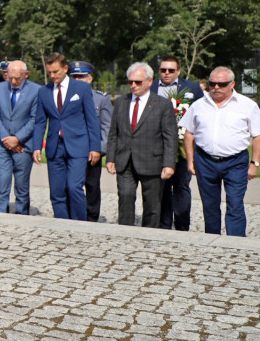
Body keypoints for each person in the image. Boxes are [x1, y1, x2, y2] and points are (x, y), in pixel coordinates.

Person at [180, 66, 260, 237]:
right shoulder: (199, 105)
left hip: (236, 162)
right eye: (212, 83)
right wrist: (190, 160)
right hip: (205, 160)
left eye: (222, 84)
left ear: (232, 84)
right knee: (209, 205)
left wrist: (254, 163)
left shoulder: (248, 106)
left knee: (235, 204)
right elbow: (189, 133)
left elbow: (257, 137)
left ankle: (235, 243)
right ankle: (212, 240)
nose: (216, 87)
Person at [107, 62, 177, 228]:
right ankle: (125, 232)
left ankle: (149, 234)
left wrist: (169, 164)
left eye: (137, 82)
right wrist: (110, 158)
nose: (133, 85)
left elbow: (170, 137)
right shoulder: (121, 102)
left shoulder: (162, 105)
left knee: (152, 203)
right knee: (125, 197)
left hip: (151, 161)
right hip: (125, 160)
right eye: (130, 82)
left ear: (149, 81)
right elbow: (113, 133)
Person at [33, 52, 101, 221]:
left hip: (78, 145)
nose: (52, 75)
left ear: (65, 69)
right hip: (55, 147)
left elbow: (91, 120)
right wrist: (36, 146)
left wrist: (95, 147)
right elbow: (40, 121)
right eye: (49, 72)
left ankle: (79, 224)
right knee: (56, 191)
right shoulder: (44, 91)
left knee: (74, 187)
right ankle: (62, 224)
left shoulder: (82, 89)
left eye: (55, 71)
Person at [151, 56, 204, 231]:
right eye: (163, 70)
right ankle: (164, 225)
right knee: (162, 187)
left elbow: (201, 114)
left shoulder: (192, 88)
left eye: (171, 70)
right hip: (157, 147)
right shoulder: (151, 87)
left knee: (181, 186)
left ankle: (182, 226)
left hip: (182, 147)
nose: (166, 73)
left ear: (178, 71)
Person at [0, 60, 40, 215]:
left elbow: (34, 119)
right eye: (10, 77)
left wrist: (17, 138)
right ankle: (0, 214)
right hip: (2, 144)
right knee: (2, 181)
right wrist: (6, 138)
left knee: (21, 185)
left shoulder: (36, 90)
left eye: (17, 78)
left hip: (23, 145)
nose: (13, 81)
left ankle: (21, 215)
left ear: (26, 74)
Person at [69, 61, 113, 222]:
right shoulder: (67, 96)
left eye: (82, 77)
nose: (78, 80)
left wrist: (99, 149)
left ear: (90, 79)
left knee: (92, 185)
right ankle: (73, 213)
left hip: (91, 151)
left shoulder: (101, 99)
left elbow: (107, 128)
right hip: (72, 149)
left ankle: (92, 216)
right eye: (75, 77)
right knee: (71, 185)